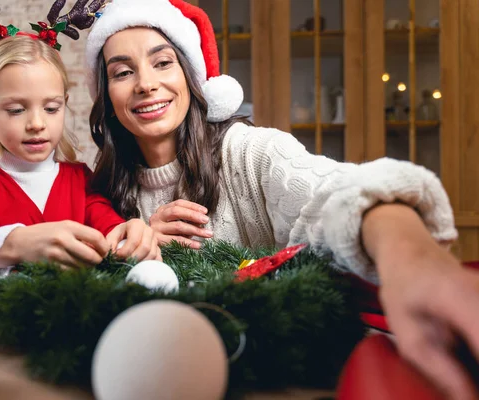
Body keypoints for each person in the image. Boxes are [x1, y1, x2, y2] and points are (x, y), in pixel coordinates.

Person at [84, 0, 479, 398]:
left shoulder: (250, 153)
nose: (146, 84)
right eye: (122, 72)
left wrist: (415, 263)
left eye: (163, 62)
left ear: (191, 75)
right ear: (107, 96)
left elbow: (342, 191)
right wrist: (137, 244)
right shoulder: (102, 191)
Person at [0, 0, 159, 285]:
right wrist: (14, 243)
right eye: (16, 110)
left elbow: (111, 232)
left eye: (51, 108)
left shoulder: (79, 180)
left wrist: (133, 234)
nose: (36, 124)